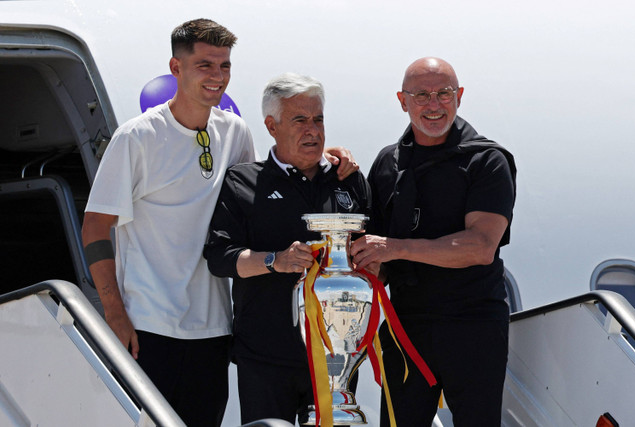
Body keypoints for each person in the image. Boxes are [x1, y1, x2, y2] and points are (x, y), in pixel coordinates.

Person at [81, 20, 356, 427]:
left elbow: (264, 187)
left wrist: (323, 154)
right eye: (204, 65)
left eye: (224, 66)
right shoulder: (137, 137)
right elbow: (94, 228)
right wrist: (114, 314)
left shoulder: (234, 131)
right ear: (176, 68)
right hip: (149, 326)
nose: (217, 76)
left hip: (214, 330)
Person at [350, 57, 516, 426]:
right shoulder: (387, 163)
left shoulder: (487, 161)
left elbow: (480, 247)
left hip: (472, 324)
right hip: (405, 326)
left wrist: (395, 247)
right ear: (402, 100)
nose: (434, 104)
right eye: (421, 94)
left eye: (443, 93)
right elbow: (376, 253)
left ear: (459, 96)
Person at [203, 72, 371, 425]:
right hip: (264, 359)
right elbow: (220, 257)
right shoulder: (243, 182)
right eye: (300, 120)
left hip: (335, 360)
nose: (313, 130)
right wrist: (273, 261)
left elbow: (373, 253)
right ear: (271, 125)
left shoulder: (349, 180)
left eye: (318, 119)